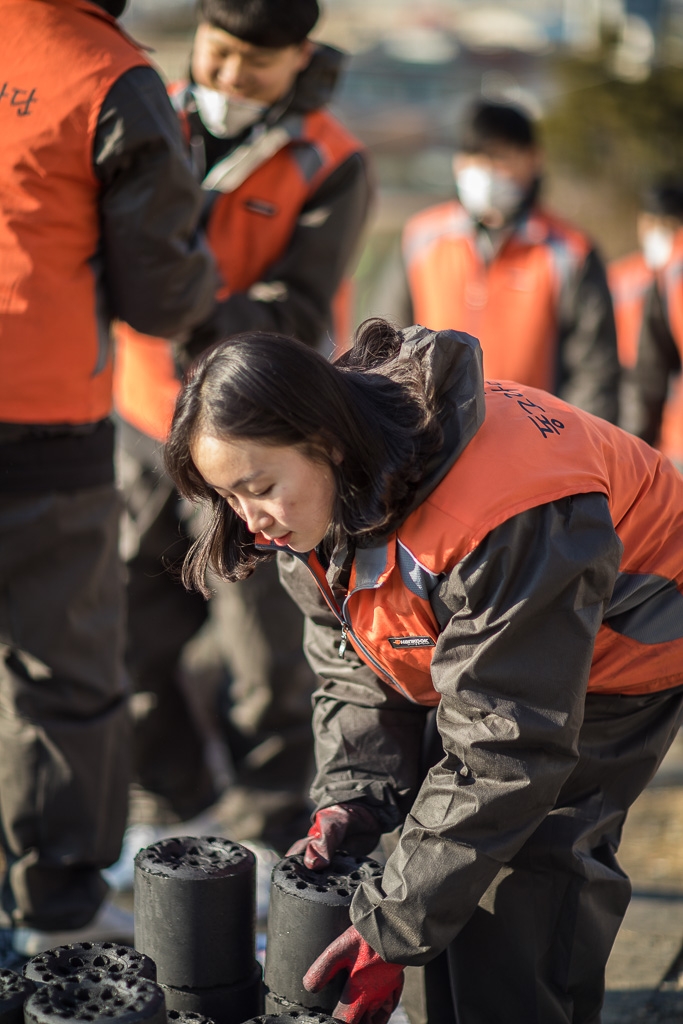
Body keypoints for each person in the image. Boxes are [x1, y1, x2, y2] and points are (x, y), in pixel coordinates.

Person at [165, 319, 683, 1024]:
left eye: (258, 487)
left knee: (522, 874)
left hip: (625, 636)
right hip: (505, 637)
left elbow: (508, 747)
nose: (251, 522)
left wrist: (391, 929)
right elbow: (356, 660)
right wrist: (353, 793)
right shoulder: (323, 495)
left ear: (324, 439)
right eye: (227, 497)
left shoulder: (503, 513)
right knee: (441, 857)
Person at [112, 0, 372, 847]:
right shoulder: (147, 112)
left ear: (299, 57)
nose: (227, 79)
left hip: (248, 445)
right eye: (216, 55)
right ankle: (176, 811)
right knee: (122, 638)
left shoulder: (330, 162)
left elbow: (296, 312)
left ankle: (267, 835)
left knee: (261, 660)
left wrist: (187, 302)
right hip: (134, 419)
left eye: (254, 65)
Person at [0, 0, 215, 956]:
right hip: (42, 425)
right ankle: (56, 913)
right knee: (65, 676)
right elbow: (160, 295)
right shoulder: (112, 78)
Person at [377, 99, 619, 422]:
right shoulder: (420, 239)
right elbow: (384, 342)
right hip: (428, 442)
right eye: (475, 158)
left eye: (499, 157)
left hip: (531, 446)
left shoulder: (570, 253)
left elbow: (594, 373)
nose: (485, 172)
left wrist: (568, 448)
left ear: (534, 160)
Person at [610, 182, 683, 470]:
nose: (657, 231)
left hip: (669, 427)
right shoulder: (619, 277)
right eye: (650, 221)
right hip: (627, 406)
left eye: (667, 223)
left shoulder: (673, 276)